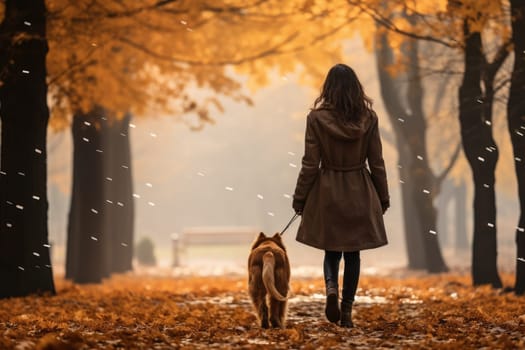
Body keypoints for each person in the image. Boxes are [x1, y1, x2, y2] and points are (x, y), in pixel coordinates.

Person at [292, 63, 390, 328]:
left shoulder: (315, 119)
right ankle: (346, 312)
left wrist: (300, 197)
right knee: (353, 254)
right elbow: (377, 161)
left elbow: (310, 163)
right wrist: (383, 196)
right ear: (355, 88)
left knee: (332, 251)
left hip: (328, 191)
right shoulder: (369, 119)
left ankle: (331, 289)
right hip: (360, 189)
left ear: (328, 88)